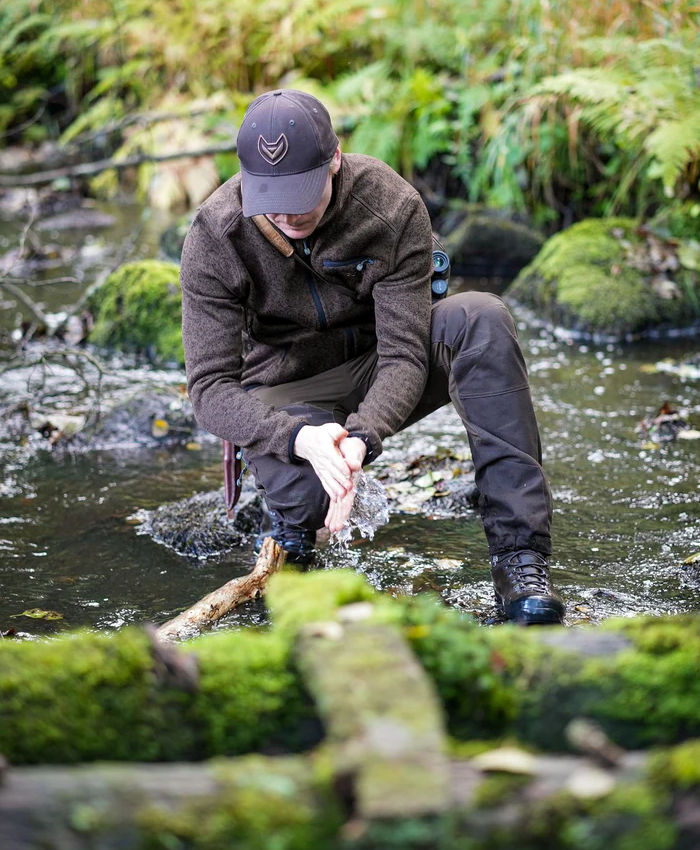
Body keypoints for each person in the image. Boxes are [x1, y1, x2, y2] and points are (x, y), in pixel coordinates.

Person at [180, 89, 564, 624]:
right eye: (271, 195)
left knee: (481, 317)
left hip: (378, 363)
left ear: (334, 159)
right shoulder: (216, 235)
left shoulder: (388, 205)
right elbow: (210, 390)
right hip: (283, 391)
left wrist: (363, 436)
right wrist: (299, 440)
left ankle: (520, 561)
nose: (288, 212)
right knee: (306, 499)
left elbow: (406, 355)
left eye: (301, 191)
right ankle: (288, 533)